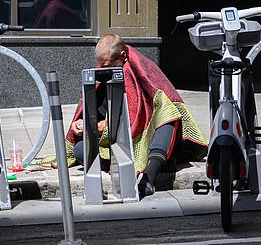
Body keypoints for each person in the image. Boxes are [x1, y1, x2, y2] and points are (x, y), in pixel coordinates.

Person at [66, 34, 208, 199]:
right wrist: (83, 123)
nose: (103, 68)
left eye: (108, 64)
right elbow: (94, 110)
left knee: (168, 115)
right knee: (80, 150)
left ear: (122, 56)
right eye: (100, 64)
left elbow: (162, 106)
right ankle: (152, 163)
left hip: (147, 136)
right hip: (114, 142)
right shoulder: (102, 74)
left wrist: (112, 125)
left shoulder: (143, 69)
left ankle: (149, 177)